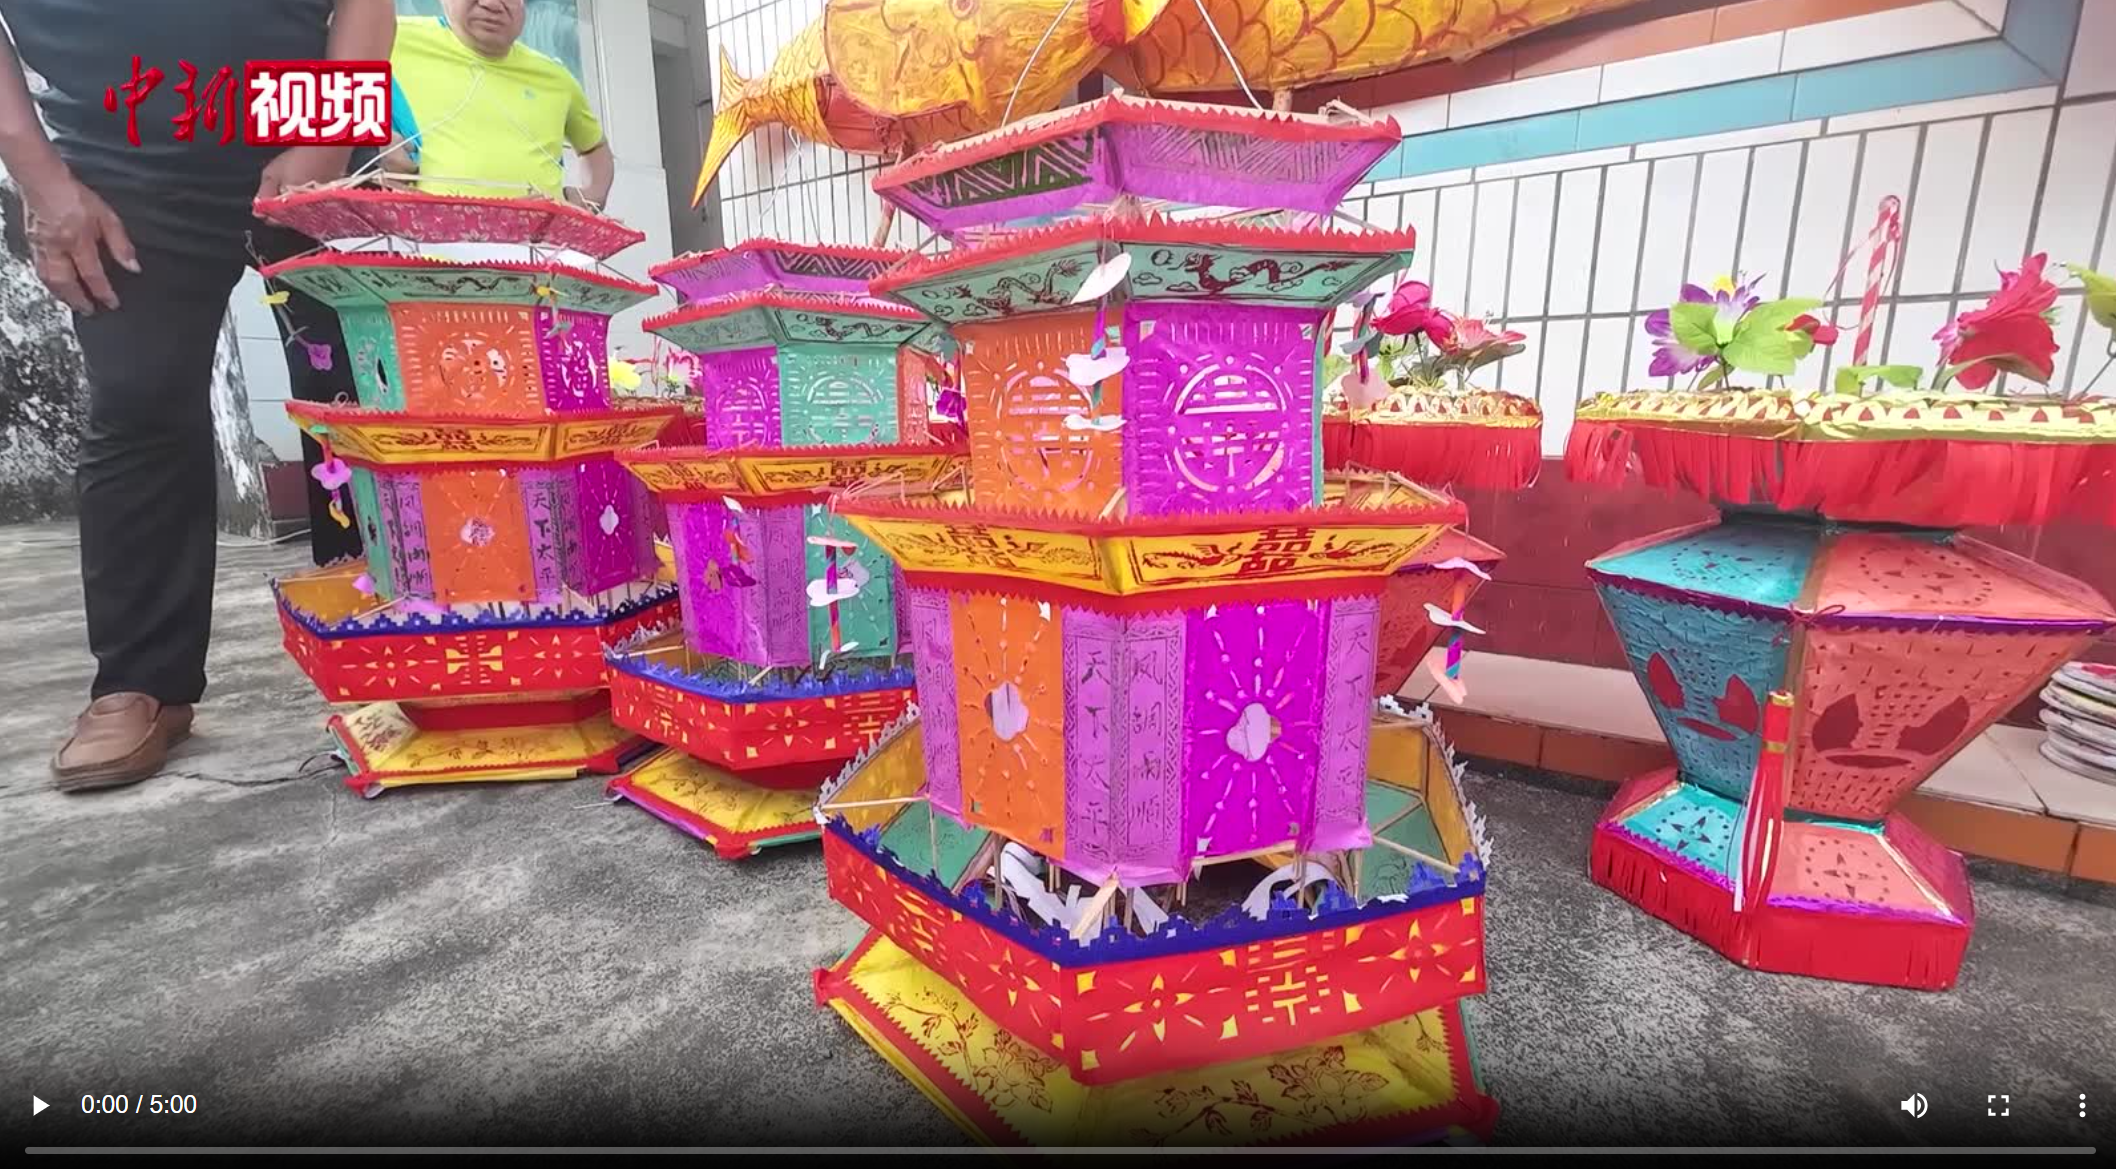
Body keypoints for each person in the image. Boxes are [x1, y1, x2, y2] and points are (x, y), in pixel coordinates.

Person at [0, 0, 397, 791]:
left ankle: (401, 634)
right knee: (138, 399)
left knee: (365, 389)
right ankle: (138, 681)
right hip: (119, 133)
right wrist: (41, 181)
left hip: (301, 102)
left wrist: (325, 137)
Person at [389, 0, 612, 209]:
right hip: (419, 233)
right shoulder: (392, 39)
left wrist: (590, 196)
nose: (492, 4)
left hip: (537, 235)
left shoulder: (555, 78)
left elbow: (594, 147)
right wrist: (373, 146)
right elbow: (367, 123)